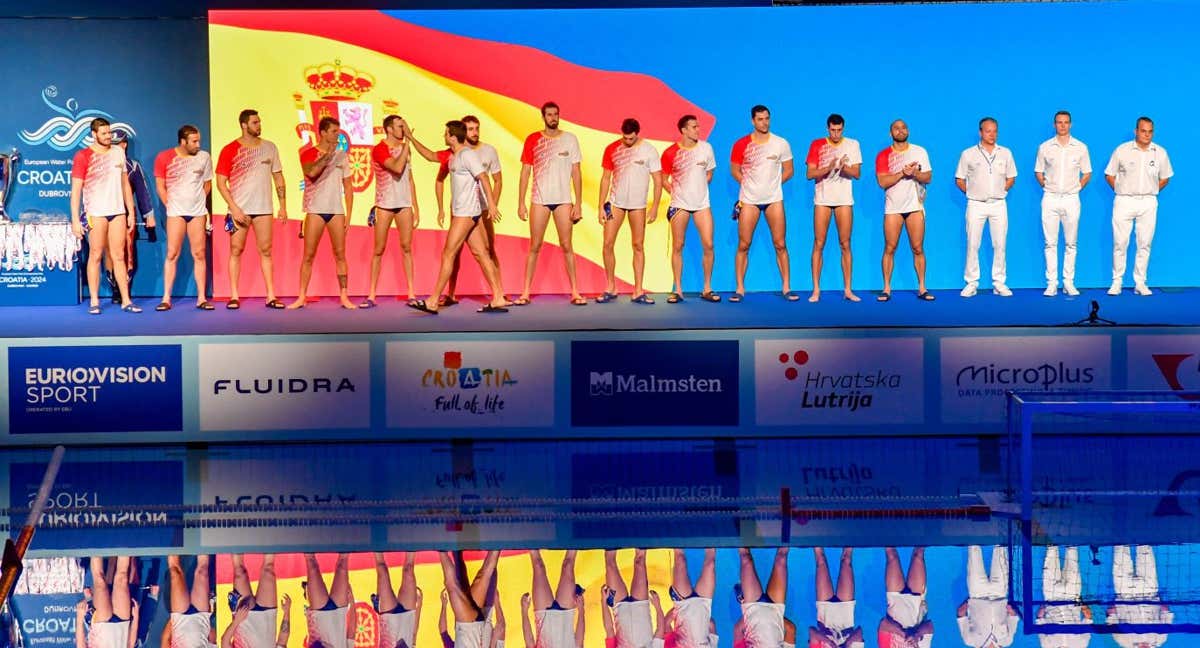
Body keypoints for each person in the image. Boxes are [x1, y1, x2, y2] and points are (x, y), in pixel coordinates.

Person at [406, 120, 507, 314]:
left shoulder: (467, 155)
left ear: (452, 136)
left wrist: (492, 205)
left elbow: (484, 177)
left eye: (445, 133)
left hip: (466, 213)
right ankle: (499, 297)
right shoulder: (453, 155)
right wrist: (411, 138)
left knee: (448, 253)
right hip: (467, 212)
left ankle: (433, 300)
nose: (443, 136)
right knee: (480, 254)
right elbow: (429, 155)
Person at [215, 109, 289, 309]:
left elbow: (278, 178)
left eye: (259, 122)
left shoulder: (270, 148)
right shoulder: (230, 149)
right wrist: (234, 208)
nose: (259, 125)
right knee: (236, 250)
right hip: (240, 210)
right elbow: (221, 183)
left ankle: (271, 296)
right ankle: (234, 295)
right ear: (244, 125)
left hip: (264, 209)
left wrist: (283, 206)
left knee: (266, 250)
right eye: (255, 122)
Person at [516, 102, 586, 306]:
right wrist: (521, 203)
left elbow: (576, 172)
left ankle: (575, 292)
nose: (553, 118)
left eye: (556, 114)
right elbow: (525, 172)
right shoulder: (533, 140)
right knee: (535, 246)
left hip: (564, 200)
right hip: (540, 200)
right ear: (543, 116)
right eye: (549, 114)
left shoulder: (570, 139)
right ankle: (525, 292)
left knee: (567, 246)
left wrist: (578, 203)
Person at [71, 117, 142, 313]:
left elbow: (125, 184)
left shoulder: (118, 152)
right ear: (94, 135)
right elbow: (76, 190)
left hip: (118, 211)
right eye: (104, 134)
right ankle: (94, 301)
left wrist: (130, 212)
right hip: (95, 212)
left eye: (109, 133)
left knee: (119, 256)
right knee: (95, 255)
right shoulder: (83, 156)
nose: (108, 136)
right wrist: (76, 220)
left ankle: (127, 300)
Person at [730, 105, 795, 302]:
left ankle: (786, 288)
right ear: (752, 121)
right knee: (744, 244)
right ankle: (740, 289)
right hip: (749, 201)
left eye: (767, 118)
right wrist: (750, 186)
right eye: (760, 119)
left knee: (780, 244)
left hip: (774, 200)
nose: (764, 122)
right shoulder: (741, 144)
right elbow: (735, 170)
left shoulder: (781, 143)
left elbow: (789, 170)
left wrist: (772, 185)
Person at [289, 117, 355, 309]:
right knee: (308, 255)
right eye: (334, 131)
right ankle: (302, 296)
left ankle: (344, 295)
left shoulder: (343, 156)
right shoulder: (308, 153)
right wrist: (328, 156)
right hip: (315, 209)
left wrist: (348, 216)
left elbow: (348, 187)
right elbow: (312, 172)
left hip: (336, 210)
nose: (337, 135)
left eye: (338, 131)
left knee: (341, 255)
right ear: (323, 133)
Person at [1104, 117, 1172, 296]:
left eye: (1150, 131)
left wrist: (1152, 190)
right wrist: (1120, 189)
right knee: (1120, 242)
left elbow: (1165, 177)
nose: (1146, 135)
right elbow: (1109, 174)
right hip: (1124, 201)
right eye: (1143, 131)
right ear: (1136, 131)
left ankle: (1140, 283)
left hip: (1148, 202)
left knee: (1145, 243)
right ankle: (1117, 282)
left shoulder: (1160, 153)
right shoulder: (1122, 150)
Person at [597, 118, 662, 304]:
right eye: (625, 138)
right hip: (615, 203)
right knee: (608, 243)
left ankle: (638, 290)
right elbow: (605, 178)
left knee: (638, 245)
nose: (627, 142)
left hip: (638, 206)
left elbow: (658, 180)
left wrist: (655, 206)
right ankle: (611, 287)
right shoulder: (612, 149)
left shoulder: (649, 150)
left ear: (637, 134)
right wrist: (601, 205)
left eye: (631, 139)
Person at [442, 115, 505, 307]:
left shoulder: (485, 152)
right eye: (470, 129)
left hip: (481, 210)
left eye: (477, 128)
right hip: (463, 210)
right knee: (461, 253)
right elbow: (438, 172)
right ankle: (450, 295)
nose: (475, 132)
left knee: (486, 250)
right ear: (462, 132)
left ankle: (499, 293)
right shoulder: (454, 154)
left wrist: (492, 205)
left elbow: (494, 180)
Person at [954, 118, 1017, 297]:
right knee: (973, 244)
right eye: (988, 131)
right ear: (981, 132)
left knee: (1000, 244)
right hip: (976, 204)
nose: (992, 134)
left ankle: (999, 283)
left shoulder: (1005, 153)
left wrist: (1003, 189)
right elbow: (959, 179)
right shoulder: (968, 154)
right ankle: (971, 283)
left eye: (995, 131)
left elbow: (1012, 176)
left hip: (998, 204)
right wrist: (972, 193)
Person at [154, 125, 214, 311]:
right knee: (172, 254)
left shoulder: (204, 157)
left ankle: (202, 298)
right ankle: (166, 298)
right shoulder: (164, 157)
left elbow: (207, 184)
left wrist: (198, 203)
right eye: (194, 141)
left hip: (197, 213)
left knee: (199, 253)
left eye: (199, 140)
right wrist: (171, 205)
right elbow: (160, 186)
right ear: (183, 141)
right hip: (176, 213)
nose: (198, 144)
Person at [660, 115, 719, 303]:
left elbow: (710, 173)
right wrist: (676, 192)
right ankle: (678, 290)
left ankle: (707, 289)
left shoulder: (706, 148)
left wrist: (700, 185)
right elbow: (662, 178)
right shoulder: (671, 153)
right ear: (683, 130)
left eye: (698, 126)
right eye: (693, 127)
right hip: (679, 205)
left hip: (702, 204)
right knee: (678, 246)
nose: (697, 130)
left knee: (708, 245)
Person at [805, 114, 862, 302]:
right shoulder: (817, 145)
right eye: (833, 130)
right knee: (819, 243)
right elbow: (810, 174)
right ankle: (816, 290)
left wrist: (844, 167)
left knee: (845, 244)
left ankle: (848, 290)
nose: (836, 133)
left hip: (844, 200)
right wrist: (829, 167)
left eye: (839, 130)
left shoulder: (852, 144)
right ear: (827, 129)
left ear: (843, 128)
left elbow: (857, 173)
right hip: (822, 200)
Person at [874, 119, 933, 301]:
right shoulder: (884, 155)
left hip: (915, 207)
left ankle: (922, 288)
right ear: (890, 133)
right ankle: (886, 288)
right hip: (893, 208)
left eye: (904, 127)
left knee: (917, 248)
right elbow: (883, 182)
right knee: (890, 248)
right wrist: (902, 173)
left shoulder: (920, 151)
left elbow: (928, 177)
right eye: (896, 128)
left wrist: (914, 173)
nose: (901, 131)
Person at [1034, 111, 1091, 297]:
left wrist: (1076, 188)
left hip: (1071, 198)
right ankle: (1052, 283)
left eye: (1066, 122)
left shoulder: (1081, 147)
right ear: (1054, 125)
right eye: (1059, 122)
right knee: (1050, 243)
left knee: (1071, 243)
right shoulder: (1044, 147)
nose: (1063, 126)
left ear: (1071, 125)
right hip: (1050, 197)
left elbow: (1087, 173)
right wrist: (1047, 186)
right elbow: (1038, 172)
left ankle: (1068, 282)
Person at [363, 114, 417, 308]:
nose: (404, 129)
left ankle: (411, 292)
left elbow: (409, 178)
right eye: (400, 126)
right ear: (389, 129)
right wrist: (408, 143)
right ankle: (371, 295)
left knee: (407, 247)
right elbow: (396, 167)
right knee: (379, 249)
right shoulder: (379, 149)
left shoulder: (405, 148)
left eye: (404, 126)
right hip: (385, 204)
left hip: (404, 204)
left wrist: (415, 207)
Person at [103, 130, 154, 304]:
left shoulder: (133, 166)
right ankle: (115, 289)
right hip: (104, 212)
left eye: (117, 144)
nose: (113, 147)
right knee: (108, 252)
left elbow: (142, 193)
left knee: (127, 252)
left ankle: (125, 287)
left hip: (125, 214)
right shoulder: (101, 163)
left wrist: (149, 215)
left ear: (124, 145)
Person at [1107, 545, 1172, 648]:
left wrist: (1116, 607)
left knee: (1120, 550)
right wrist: (1158, 602)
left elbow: (1111, 620)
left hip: (1124, 593)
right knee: (1145, 549)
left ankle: (1119, 530)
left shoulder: (1124, 642)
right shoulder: (1160, 638)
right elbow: (1167, 615)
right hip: (1149, 592)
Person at [956, 546, 1019, 648]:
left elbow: (960, 614)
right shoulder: (1007, 641)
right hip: (999, 593)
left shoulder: (970, 640)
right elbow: (1013, 617)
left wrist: (971, 601)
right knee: (1001, 548)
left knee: (974, 549)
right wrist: (1010, 610)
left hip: (977, 593)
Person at [519, 550, 584, 648]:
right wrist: (581, 610)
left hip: (543, 613)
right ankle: (576, 534)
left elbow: (529, 643)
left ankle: (529, 535)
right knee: (568, 565)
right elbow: (579, 642)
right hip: (566, 613)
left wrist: (524, 611)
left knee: (538, 566)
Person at [222, 554, 288, 648]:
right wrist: (286, 612)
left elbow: (225, 641)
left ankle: (235, 540)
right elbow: (282, 642)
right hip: (268, 614)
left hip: (244, 618)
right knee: (269, 570)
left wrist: (236, 621)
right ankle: (270, 539)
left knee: (240, 572)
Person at [438, 551, 500, 648]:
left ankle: (498, 543)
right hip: (467, 624)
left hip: (477, 623)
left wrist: (444, 606)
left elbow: (443, 633)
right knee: (451, 585)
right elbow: (443, 632)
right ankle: (441, 547)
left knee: (484, 575)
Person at [1035, 546, 1091, 648]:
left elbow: (1039, 619)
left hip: (1051, 596)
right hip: (1072, 596)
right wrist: (1078, 600)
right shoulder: (1081, 645)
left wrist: (1046, 602)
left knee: (1051, 550)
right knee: (1072, 552)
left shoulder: (1046, 645)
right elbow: (1088, 618)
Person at [75, 557, 136, 648]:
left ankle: (95, 544)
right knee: (122, 578)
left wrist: (79, 619)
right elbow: (130, 644)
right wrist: (135, 619)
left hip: (101, 625)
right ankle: (125, 544)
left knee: (100, 581)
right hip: (122, 624)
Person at [878, 548, 933, 648]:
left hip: (895, 600)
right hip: (916, 599)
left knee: (891, 555)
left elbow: (884, 624)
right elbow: (929, 626)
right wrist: (916, 635)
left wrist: (904, 634)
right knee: (918, 554)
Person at [734, 547, 789, 648]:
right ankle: (789, 531)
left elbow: (737, 629)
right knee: (781, 558)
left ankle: (741, 531)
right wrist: (774, 618)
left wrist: (749, 614)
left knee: (746, 558)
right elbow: (791, 629)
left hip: (752, 606)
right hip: (776, 608)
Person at [810, 548, 863, 648]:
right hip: (845, 611)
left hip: (825, 610)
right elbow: (859, 632)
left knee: (821, 560)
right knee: (846, 560)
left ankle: (812, 532)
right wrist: (846, 645)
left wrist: (829, 643)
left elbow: (812, 631)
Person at [604, 549, 655, 648]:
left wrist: (603, 602)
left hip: (619, 607)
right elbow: (660, 631)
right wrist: (657, 606)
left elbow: (609, 629)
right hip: (641, 605)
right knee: (639, 562)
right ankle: (641, 534)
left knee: (610, 565)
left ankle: (611, 534)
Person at [666, 549, 717, 648]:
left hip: (682, 601)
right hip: (703, 602)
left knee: (680, 559)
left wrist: (678, 609)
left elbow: (666, 624)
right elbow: (712, 626)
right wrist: (702, 619)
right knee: (710, 563)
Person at [303, 553, 354, 648]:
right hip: (340, 610)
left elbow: (314, 643)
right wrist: (352, 601)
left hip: (319, 613)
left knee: (312, 565)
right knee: (342, 565)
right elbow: (351, 632)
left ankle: (306, 539)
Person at [374, 552, 422, 648]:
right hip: (407, 617)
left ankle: (376, 538)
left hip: (388, 617)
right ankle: (412, 537)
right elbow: (414, 634)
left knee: (382, 570)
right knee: (409, 570)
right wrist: (419, 606)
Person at [164, 555, 213, 648]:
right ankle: (203, 541)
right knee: (203, 572)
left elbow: (165, 638)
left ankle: (175, 542)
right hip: (201, 615)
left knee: (175, 573)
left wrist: (174, 619)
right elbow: (213, 639)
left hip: (179, 616)